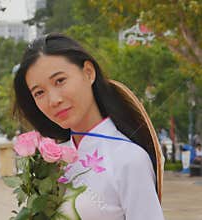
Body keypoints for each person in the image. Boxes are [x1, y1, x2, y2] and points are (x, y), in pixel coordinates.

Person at [13, 33, 164, 219]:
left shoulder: (129, 159)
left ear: (88, 73)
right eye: (39, 93)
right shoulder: (49, 161)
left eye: (60, 81)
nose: (53, 100)